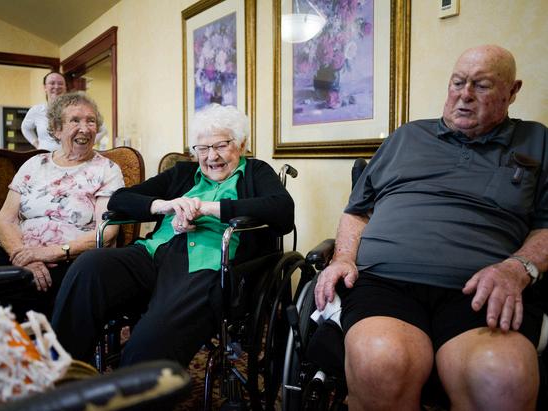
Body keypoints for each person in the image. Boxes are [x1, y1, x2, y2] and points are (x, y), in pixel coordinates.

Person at [314, 44, 548, 411]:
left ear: (512, 91)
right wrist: (343, 258)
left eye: (482, 85)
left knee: (502, 377)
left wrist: (518, 268)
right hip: (386, 281)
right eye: (458, 82)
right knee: (380, 362)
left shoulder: (537, 141)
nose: (465, 95)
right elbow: (357, 211)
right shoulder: (406, 137)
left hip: (483, 287)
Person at [51, 103, 295, 367]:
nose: (212, 156)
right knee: (89, 266)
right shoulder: (182, 173)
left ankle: (132, 386)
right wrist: (165, 205)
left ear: (241, 144)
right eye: (203, 148)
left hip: (208, 265)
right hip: (153, 254)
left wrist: (207, 208)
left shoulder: (255, 172)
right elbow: (120, 199)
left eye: (221, 145)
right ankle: (62, 371)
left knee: (151, 339)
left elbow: (282, 210)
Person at [0, 92, 124, 320]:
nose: (85, 128)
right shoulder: (34, 165)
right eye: (75, 120)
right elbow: (5, 220)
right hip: (18, 252)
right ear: (56, 129)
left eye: (91, 121)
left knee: (19, 300)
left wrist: (47, 253)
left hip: (73, 260)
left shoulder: (107, 170)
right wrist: (24, 256)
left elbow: (106, 233)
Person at [21, 71, 108, 151]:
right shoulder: (36, 110)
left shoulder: (77, 108)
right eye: (52, 83)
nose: (56, 86)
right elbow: (25, 128)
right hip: (45, 157)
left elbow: (103, 129)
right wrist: (36, 143)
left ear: (65, 87)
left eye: (60, 83)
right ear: (45, 87)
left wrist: (87, 144)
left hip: (73, 158)